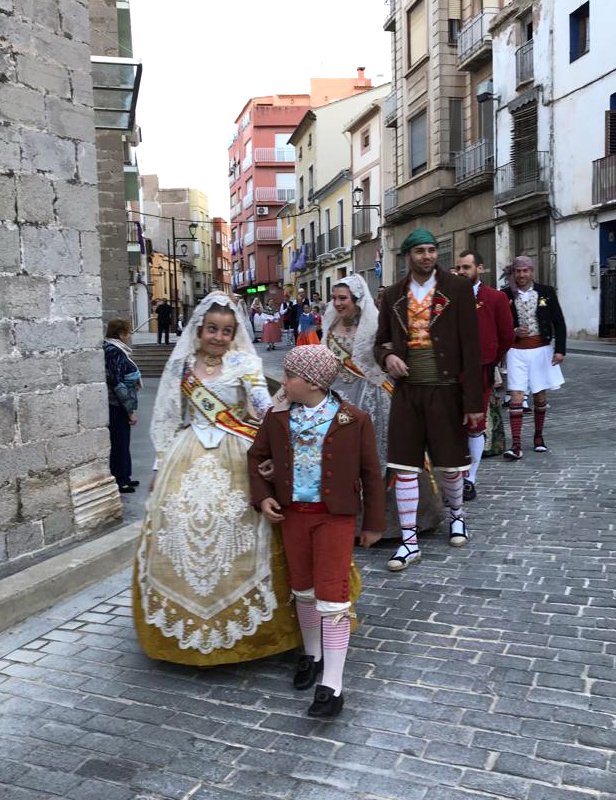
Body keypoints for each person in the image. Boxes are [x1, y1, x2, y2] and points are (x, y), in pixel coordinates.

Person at [132, 292, 302, 666]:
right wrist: (161, 464)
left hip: (236, 451)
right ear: (199, 329)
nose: (219, 337)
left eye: (226, 331)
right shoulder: (184, 366)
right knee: (177, 525)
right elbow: (167, 414)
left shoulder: (244, 362)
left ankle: (254, 626)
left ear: (234, 333)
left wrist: (284, 400)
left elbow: (259, 406)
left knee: (241, 523)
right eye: (212, 329)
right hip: (189, 451)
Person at [247, 345, 385, 718]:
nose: (284, 381)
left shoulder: (352, 420)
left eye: (289, 375)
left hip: (334, 518)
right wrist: (262, 498)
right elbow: (256, 456)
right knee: (303, 590)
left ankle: (333, 685)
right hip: (293, 516)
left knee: (333, 596)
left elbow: (371, 473)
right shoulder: (277, 418)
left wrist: (372, 523)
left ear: (310, 382)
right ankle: (312, 653)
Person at [374, 228, 483, 570]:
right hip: (407, 392)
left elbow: (471, 347)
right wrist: (386, 358)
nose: (427, 256)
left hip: (446, 389)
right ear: (408, 255)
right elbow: (380, 342)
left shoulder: (458, 289)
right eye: (420, 250)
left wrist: (473, 403)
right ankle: (409, 541)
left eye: (432, 250)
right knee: (404, 467)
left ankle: (457, 517)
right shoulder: (392, 294)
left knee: (450, 467)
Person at [455, 250, 515, 500]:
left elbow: (506, 336)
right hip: (452, 369)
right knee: (452, 424)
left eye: (466, 267)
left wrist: (489, 357)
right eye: (458, 267)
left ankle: (471, 478)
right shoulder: (448, 297)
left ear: (479, 268)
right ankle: (454, 476)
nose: (461, 272)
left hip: (480, 369)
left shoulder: (495, 298)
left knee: (475, 423)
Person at [501, 255, 566, 459]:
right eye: (518, 271)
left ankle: (538, 437)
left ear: (531, 271)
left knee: (539, 395)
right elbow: (500, 326)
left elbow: (559, 321)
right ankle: (516, 445)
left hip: (541, 349)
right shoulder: (505, 295)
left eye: (525, 270)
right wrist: (512, 332)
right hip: (516, 351)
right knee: (516, 396)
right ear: (514, 272)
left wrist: (560, 350)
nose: (522, 275)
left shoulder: (546, 292)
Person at [103, 319, 141, 493]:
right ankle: (120, 479)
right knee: (119, 442)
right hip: (116, 404)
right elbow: (117, 382)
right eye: (127, 333)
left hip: (117, 403)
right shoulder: (114, 351)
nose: (129, 336)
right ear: (120, 334)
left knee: (123, 441)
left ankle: (125, 476)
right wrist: (130, 411)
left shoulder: (114, 349)